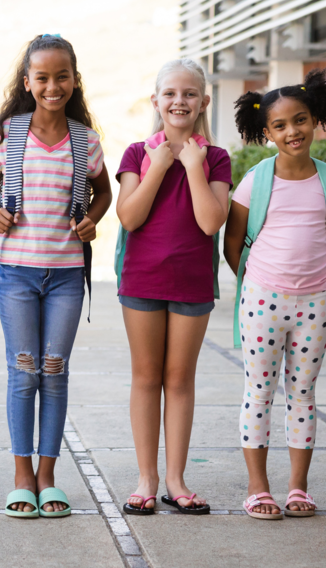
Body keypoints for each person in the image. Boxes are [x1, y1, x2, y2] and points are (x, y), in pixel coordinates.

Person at [0, 34, 112, 518]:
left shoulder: (85, 140)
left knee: (54, 371)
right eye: (43, 78)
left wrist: (92, 219)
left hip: (67, 275)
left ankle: (47, 477)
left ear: (74, 80)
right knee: (23, 370)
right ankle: (21, 476)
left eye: (62, 77)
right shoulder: (7, 133)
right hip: (16, 273)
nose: (53, 86)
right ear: (28, 82)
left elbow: (104, 192)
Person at [223, 69, 326, 520]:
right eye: (280, 125)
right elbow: (232, 244)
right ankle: (258, 487)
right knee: (259, 392)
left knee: (303, 393)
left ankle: (299, 487)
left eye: (300, 120)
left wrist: (306, 282)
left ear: (315, 120)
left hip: (315, 303)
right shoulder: (255, 182)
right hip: (262, 300)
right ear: (267, 133)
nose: (292, 131)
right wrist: (258, 283)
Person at [114, 59, 231, 515]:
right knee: (146, 377)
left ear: (203, 102)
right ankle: (146, 478)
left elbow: (210, 222)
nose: (179, 101)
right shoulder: (136, 153)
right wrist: (158, 166)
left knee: (180, 380)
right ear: (156, 101)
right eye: (170, 93)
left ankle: (175, 480)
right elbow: (129, 217)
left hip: (192, 282)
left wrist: (193, 167)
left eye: (189, 94)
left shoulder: (216, 158)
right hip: (142, 279)